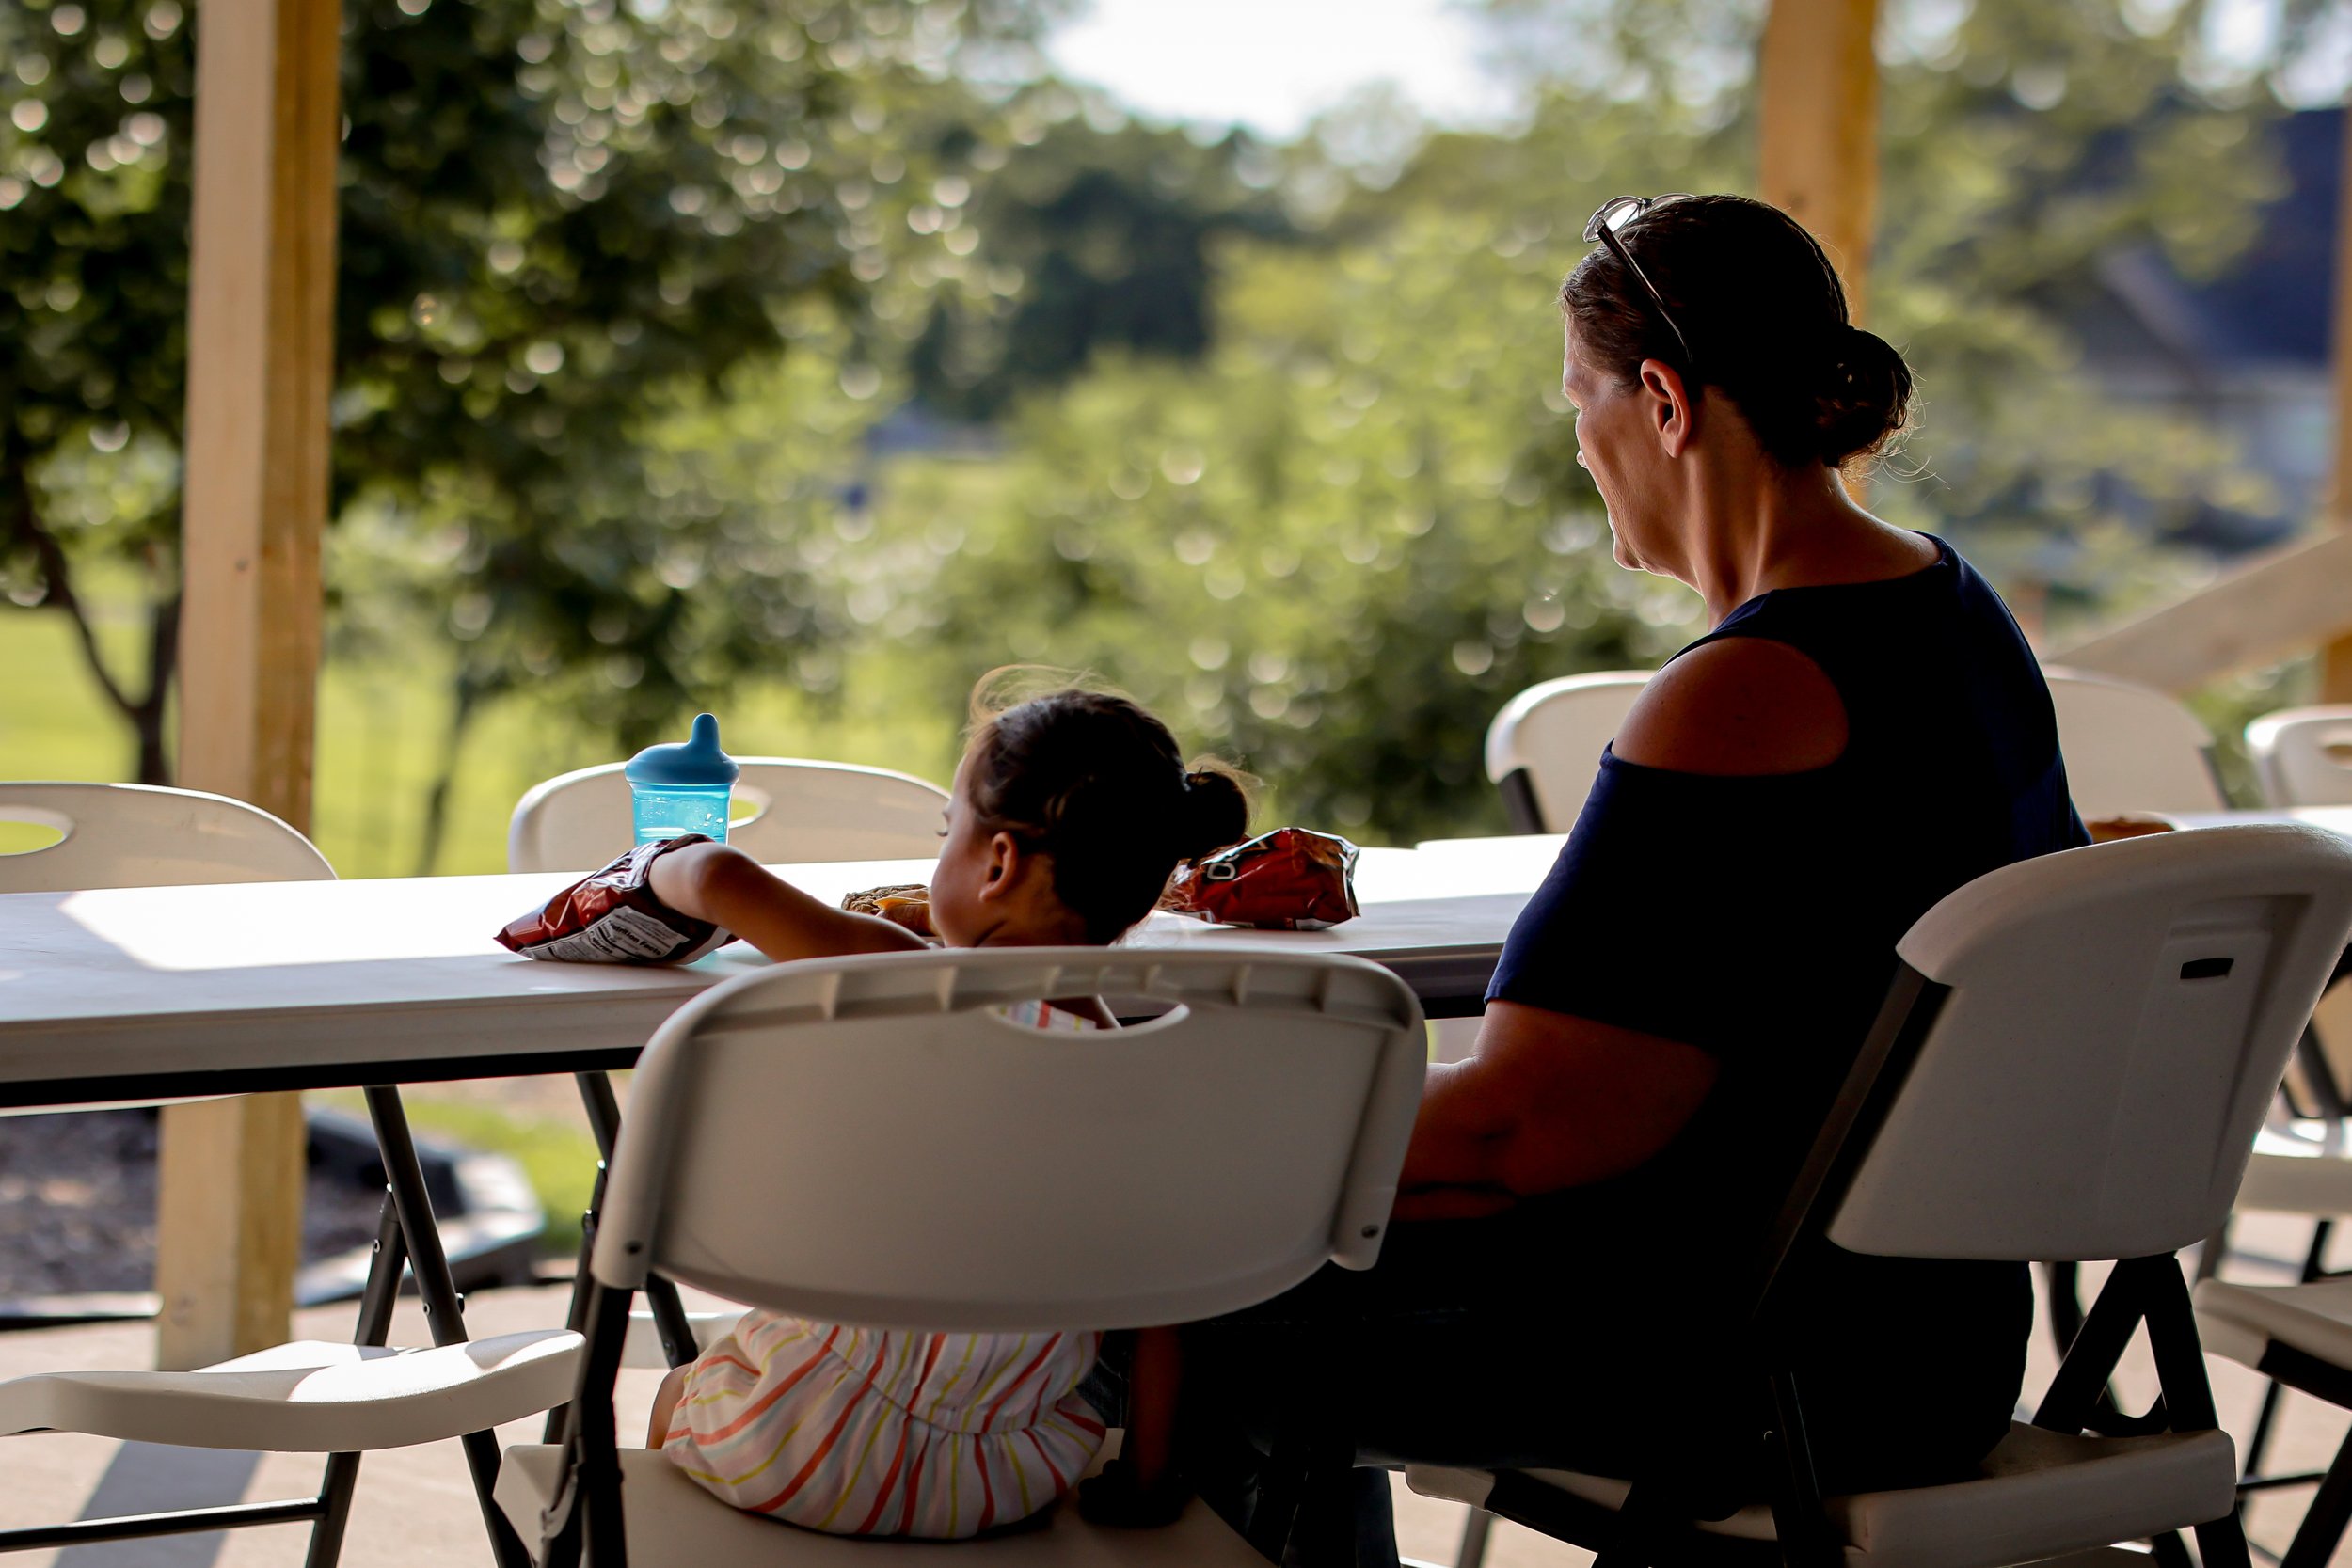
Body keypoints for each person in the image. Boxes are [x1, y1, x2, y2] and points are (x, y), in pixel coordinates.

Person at [1176, 193, 2086, 1559]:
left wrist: (1171, 1146)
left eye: (1577, 405)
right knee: (1273, 1246)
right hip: (1931, 1329)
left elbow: (1526, 1132)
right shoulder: (1959, 614)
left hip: (1759, 1357)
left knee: (1161, 1295)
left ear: (1661, 399)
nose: (1582, 449)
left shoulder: (1747, 693)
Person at [634, 677, 1248, 1539]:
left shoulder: (901, 977)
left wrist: (656, 865)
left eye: (947, 832)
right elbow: (1163, 1316)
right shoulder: (1145, 1083)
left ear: (996, 865)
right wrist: (1146, 1485)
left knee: (678, 1390)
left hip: (793, 1444)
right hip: (997, 1477)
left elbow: (722, 875)